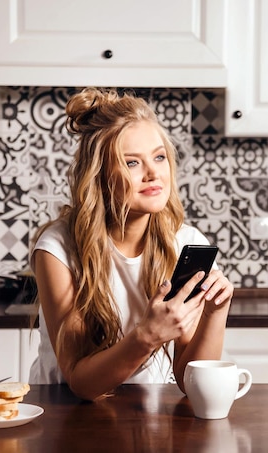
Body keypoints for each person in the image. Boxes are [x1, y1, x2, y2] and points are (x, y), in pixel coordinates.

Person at [29, 87, 233, 401]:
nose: (153, 173)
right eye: (132, 163)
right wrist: (148, 336)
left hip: (146, 414)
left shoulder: (186, 243)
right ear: (100, 176)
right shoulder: (58, 248)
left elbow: (187, 379)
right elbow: (81, 382)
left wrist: (215, 313)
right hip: (64, 415)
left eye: (159, 156)